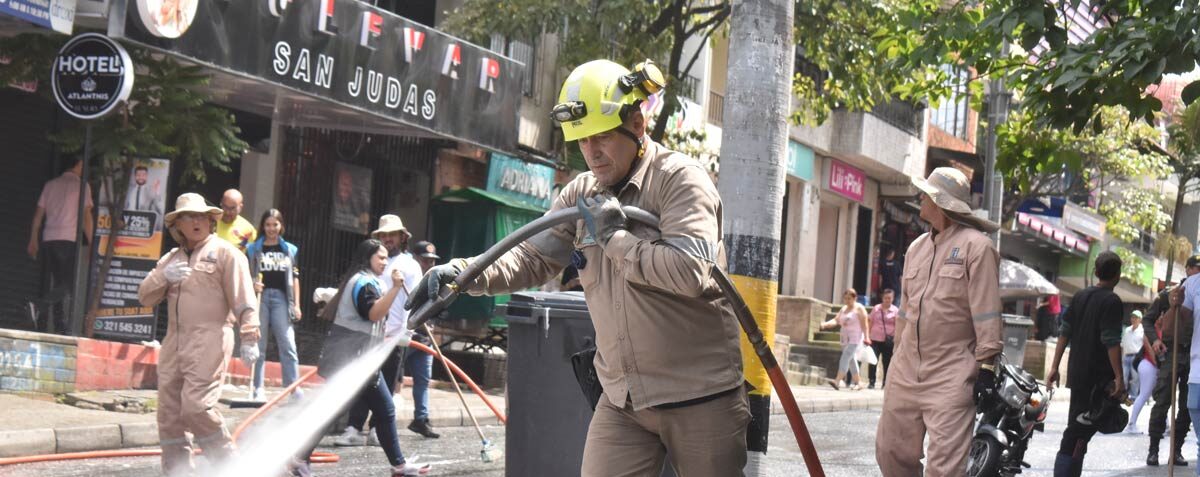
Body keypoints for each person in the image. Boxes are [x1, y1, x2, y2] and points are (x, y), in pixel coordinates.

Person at [407, 59, 748, 477]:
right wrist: (462, 275)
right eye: (583, 140)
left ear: (637, 124)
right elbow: (531, 257)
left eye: (602, 136)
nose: (592, 152)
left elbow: (690, 271)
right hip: (623, 399)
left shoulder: (680, 180)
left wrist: (615, 238)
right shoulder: (582, 193)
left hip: (700, 395)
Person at [875, 167, 1002, 477]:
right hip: (907, 368)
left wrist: (987, 367)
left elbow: (987, 311)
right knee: (890, 451)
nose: (921, 198)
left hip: (952, 371)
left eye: (927, 194)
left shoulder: (977, 247)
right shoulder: (916, 249)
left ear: (942, 202)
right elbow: (905, 313)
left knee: (944, 468)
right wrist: (895, 361)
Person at [136, 193, 260, 474]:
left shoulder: (227, 254)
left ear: (210, 221)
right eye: (189, 217)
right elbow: (145, 296)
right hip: (174, 343)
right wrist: (163, 277)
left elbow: (244, 299)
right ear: (177, 224)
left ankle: (229, 465)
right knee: (169, 414)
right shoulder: (172, 259)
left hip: (210, 340)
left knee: (196, 407)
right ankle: (177, 471)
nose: (197, 221)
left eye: (201, 216)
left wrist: (250, 336)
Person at [293, 239, 430, 477]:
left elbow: (375, 323)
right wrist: (396, 288)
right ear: (368, 257)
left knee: (380, 409)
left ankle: (398, 465)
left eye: (386, 258)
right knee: (360, 409)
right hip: (353, 359)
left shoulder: (367, 281)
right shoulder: (364, 283)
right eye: (380, 257)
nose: (385, 262)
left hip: (359, 358)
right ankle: (298, 459)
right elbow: (373, 313)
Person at [336, 215, 431, 445]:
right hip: (369, 332)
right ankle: (353, 428)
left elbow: (416, 299)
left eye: (392, 235)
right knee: (362, 381)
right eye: (384, 235)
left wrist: (408, 329)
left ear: (402, 237)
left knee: (386, 384)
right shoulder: (372, 262)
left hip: (395, 334)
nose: (388, 239)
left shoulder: (410, 265)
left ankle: (377, 430)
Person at [1045, 251, 1126, 476]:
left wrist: (1054, 367)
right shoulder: (1112, 301)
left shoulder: (1080, 296)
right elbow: (1111, 341)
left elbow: (1064, 332)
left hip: (1078, 375)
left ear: (1096, 272)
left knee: (1079, 431)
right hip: (1097, 380)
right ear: (1118, 274)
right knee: (1078, 432)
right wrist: (1119, 377)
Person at [1142, 254, 1200, 466]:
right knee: (1163, 402)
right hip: (1171, 353)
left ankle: (1176, 450)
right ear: (1187, 269)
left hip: (1192, 355)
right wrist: (1155, 340)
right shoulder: (1170, 294)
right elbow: (1148, 321)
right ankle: (1153, 449)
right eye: (1196, 268)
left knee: (1187, 407)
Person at [27, 157, 94, 334]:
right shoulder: (83, 186)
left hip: (49, 239)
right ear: (77, 164)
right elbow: (87, 217)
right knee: (68, 283)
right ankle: (39, 305)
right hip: (68, 240)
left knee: (58, 283)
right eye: (82, 164)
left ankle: (59, 326)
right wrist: (91, 242)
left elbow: (38, 215)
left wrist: (33, 239)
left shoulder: (50, 185)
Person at [245, 209, 303, 401]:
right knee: (259, 344)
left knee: (288, 344)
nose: (271, 229)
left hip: (282, 299)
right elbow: (245, 276)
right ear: (263, 226)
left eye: (275, 224)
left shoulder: (290, 250)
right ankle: (257, 388)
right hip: (260, 298)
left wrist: (297, 305)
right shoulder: (253, 249)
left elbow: (295, 278)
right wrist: (253, 284)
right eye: (268, 225)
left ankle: (293, 388)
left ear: (281, 225)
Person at [404, 239, 440, 438]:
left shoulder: (435, 281)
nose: (429, 264)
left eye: (431, 261)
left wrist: (432, 326)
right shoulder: (408, 278)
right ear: (415, 259)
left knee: (423, 380)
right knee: (392, 378)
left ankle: (421, 419)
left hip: (425, 338)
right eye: (425, 260)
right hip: (405, 336)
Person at [821, 288, 870, 391]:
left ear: (855, 298)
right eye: (845, 298)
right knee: (851, 360)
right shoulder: (843, 309)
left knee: (846, 356)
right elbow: (836, 320)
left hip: (855, 338)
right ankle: (858, 382)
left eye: (849, 298)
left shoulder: (859, 308)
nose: (847, 301)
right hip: (844, 337)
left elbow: (865, 324)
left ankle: (837, 381)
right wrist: (825, 325)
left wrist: (867, 337)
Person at [1126, 322, 1159, 434]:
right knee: (1144, 395)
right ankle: (1131, 424)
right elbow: (1148, 347)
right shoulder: (1152, 330)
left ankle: (1165, 424)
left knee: (1161, 396)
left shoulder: (1162, 329)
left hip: (1151, 365)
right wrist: (1157, 365)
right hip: (1149, 364)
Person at [867, 289, 899, 389]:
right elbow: (870, 322)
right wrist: (867, 336)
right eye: (885, 298)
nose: (887, 300)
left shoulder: (896, 310)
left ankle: (885, 382)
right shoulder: (876, 308)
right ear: (882, 298)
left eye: (889, 298)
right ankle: (871, 381)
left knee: (887, 362)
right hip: (874, 339)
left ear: (893, 299)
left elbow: (901, 322)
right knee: (873, 360)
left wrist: (896, 337)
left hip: (888, 340)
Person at [1123, 310, 1145, 401]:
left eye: (1135, 317)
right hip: (1126, 356)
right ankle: (1123, 397)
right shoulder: (1127, 330)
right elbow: (1123, 343)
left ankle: (1133, 397)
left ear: (1140, 319)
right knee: (1124, 377)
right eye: (1132, 317)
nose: (1133, 319)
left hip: (1136, 357)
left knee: (1135, 378)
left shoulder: (1142, 331)